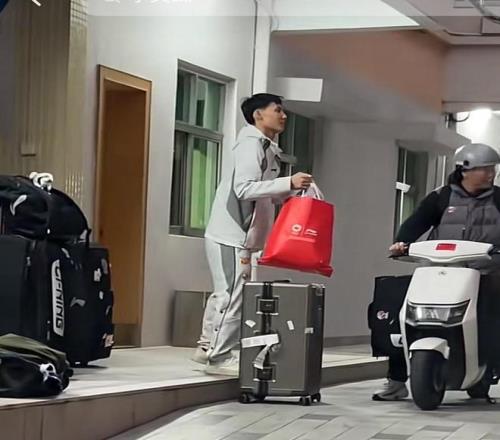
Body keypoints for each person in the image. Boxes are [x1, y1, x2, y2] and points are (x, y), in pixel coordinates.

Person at [191, 93, 313, 376]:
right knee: (232, 296)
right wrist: (288, 181)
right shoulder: (251, 144)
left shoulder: (266, 147)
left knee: (225, 293)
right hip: (232, 233)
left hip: (240, 235)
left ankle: (207, 347)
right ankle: (219, 356)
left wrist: (290, 189)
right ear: (258, 115)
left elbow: (263, 192)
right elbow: (244, 189)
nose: (283, 116)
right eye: (277, 110)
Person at [373, 142, 500, 401]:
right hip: (441, 272)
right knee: (398, 313)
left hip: (487, 273)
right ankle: (396, 380)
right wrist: (401, 243)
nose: (491, 174)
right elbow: (415, 223)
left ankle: (488, 369)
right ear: (464, 170)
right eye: (484, 169)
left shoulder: (498, 198)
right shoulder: (441, 197)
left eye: (492, 168)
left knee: (492, 318)